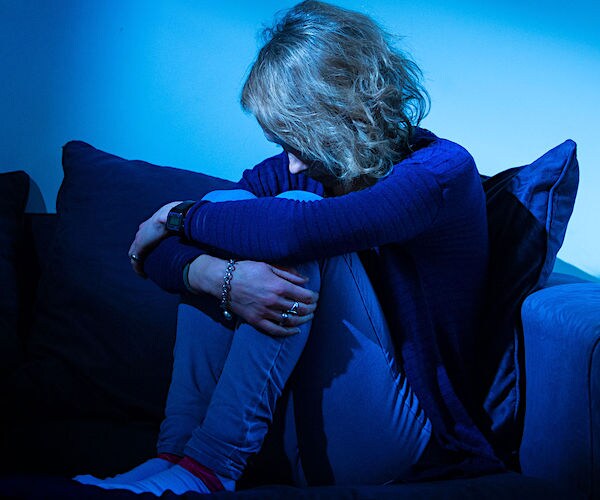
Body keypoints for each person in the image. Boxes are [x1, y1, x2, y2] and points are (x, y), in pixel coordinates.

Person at [74, 0, 504, 495]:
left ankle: (210, 468)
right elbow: (182, 243)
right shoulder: (312, 165)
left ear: (347, 116)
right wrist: (219, 279)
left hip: (412, 444)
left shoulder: (439, 174)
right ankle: (176, 456)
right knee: (227, 204)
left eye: (301, 141)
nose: (291, 163)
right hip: (311, 434)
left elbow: (291, 234)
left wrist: (176, 215)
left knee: (285, 210)